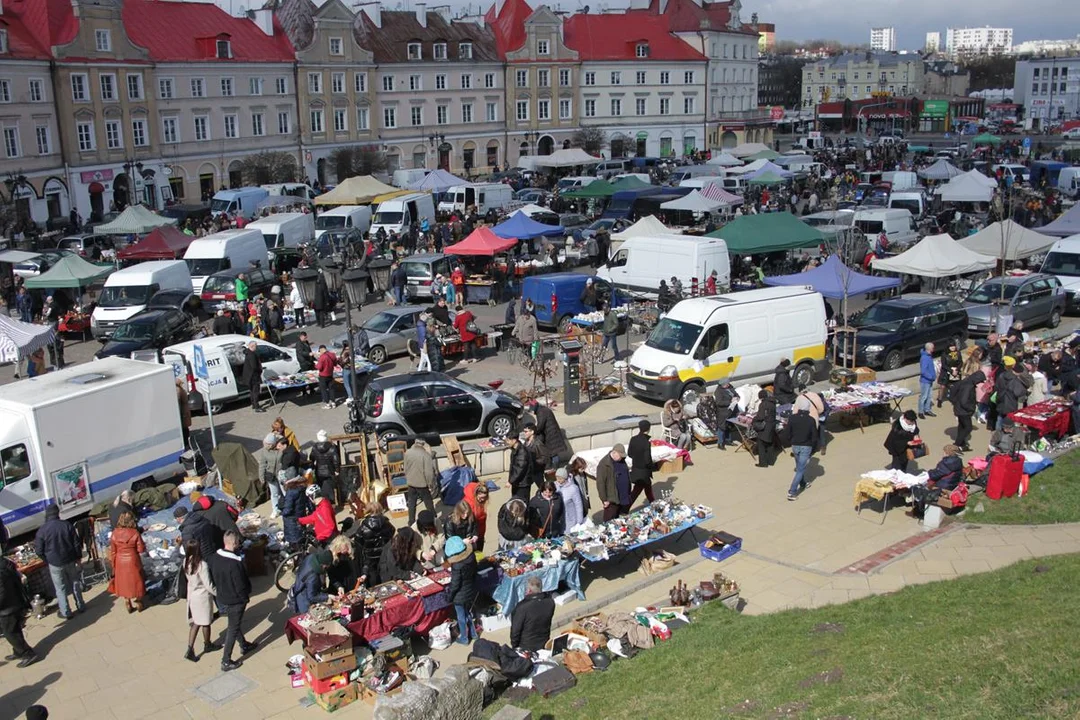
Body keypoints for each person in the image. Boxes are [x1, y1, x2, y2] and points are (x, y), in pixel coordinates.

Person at [211, 530, 256, 672]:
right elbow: (241, 584)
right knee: (233, 628)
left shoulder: (214, 558)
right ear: (235, 543)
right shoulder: (235, 563)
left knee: (233, 623)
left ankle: (244, 644)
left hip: (222, 597)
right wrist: (245, 597)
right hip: (236, 599)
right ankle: (226, 660)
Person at [34, 505, 85, 620]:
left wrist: (47, 560)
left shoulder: (42, 531)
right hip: (70, 559)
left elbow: (38, 551)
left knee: (60, 588)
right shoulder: (66, 525)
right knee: (75, 583)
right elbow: (76, 543)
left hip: (54, 563)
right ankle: (81, 605)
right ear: (58, 513)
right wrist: (78, 557)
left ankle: (66, 612)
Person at [182, 540, 219, 662]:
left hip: (192, 595)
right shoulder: (202, 565)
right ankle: (207, 644)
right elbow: (208, 584)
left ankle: (190, 648)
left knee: (196, 623)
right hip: (202, 597)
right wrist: (218, 593)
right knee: (206, 622)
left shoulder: (185, 562)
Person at [0, 550, 35, 667]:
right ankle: (18, 651)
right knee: (14, 629)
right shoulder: (5, 562)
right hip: (15, 602)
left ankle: (27, 653)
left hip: (7, 607)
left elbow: (2, 593)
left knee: (9, 632)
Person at [910, 445, 966, 519]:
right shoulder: (958, 461)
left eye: (944, 451)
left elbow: (936, 474)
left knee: (921, 489)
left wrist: (928, 473)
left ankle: (920, 511)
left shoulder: (946, 462)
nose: (943, 453)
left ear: (947, 452)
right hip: (952, 484)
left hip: (943, 485)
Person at [108, 512, 146, 613]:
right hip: (132, 559)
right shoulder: (134, 532)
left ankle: (127, 600)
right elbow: (141, 549)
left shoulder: (114, 533)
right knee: (137, 580)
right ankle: (138, 600)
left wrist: (113, 565)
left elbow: (113, 551)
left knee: (124, 581)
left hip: (120, 560)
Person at [445, 536, 478, 645]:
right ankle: (473, 634)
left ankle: (464, 638)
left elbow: (455, 584)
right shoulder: (471, 557)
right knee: (468, 612)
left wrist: (449, 596)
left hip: (459, 595)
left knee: (461, 616)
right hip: (470, 590)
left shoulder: (457, 566)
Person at [510, 575, 555, 652]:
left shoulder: (522, 607)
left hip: (526, 647)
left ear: (529, 591)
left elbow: (515, 632)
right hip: (544, 643)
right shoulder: (550, 602)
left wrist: (514, 646)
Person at [785, 408, 819, 501]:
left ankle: (803, 483)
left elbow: (787, 432)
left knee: (799, 466)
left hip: (795, 445)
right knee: (800, 469)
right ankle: (792, 492)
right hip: (806, 446)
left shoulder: (792, 418)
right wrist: (813, 446)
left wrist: (790, 441)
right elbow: (814, 435)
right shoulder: (810, 420)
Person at [526, 396, 568, 468]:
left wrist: (534, 431)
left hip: (551, 435)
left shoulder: (541, 412)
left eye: (532, 410)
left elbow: (540, 426)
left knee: (553, 453)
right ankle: (554, 468)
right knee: (553, 452)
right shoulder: (542, 409)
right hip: (552, 433)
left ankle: (555, 468)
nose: (532, 412)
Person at [404, 438, 439, 526]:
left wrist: (408, 478)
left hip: (411, 482)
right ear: (423, 445)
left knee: (411, 503)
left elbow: (405, 468)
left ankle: (411, 522)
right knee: (428, 502)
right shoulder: (426, 455)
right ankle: (434, 519)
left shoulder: (408, 452)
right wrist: (431, 484)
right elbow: (429, 473)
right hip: (422, 484)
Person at [950, 370, 984, 452]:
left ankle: (962, 444)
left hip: (959, 408)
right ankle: (957, 445)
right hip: (964, 411)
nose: (979, 383)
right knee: (968, 427)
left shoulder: (966, 381)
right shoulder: (969, 387)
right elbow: (964, 401)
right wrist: (971, 408)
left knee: (962, 426)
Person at [595, 444, 630, 520]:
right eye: (620, 455)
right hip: (612, 498)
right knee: (609, 519)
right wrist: (604, 499)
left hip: (623, 496)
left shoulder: (621, 460)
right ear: (614, 452)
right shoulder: (604, 464)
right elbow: (600, 483)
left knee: (620, 519)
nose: (622, 457)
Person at [628, 420, 657, 507]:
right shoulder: (646, 442)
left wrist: (637, 459)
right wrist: (653, 466)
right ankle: (624, 509)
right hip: (643, 471)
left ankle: (653, 503)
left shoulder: (633, 439)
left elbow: (630, 453)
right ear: (648, 429)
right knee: (636, 491)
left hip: (635, 468)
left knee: (648, 487)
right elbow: (647, 460)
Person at [308, 430, 340, 505]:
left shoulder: (314, 447)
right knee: (329, 489)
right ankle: (329, 504)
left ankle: (323, 504)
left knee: (321, 489)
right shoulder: (332, 447)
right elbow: (336, 460)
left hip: (319, 471)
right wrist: (337, 470)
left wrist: (312, 467)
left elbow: (311, 458)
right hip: (329, 471)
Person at [279, 478, 311, 549]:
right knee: (301, 534)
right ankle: (303, 549)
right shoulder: (303, 490)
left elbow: (288, 509)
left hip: (291, 519)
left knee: (293, 538)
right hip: (301, 516)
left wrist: (283, 513)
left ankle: (296, 553)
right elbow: (309, 503)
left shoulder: (290, 493)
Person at [257, 433, 283, 518]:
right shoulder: (264, 451)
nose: (266, 445)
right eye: (265, 443)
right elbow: (262, 464)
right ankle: (275, 510)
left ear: (273, 444)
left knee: (283, 492)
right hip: (271, 475)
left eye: (268, 444)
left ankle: (284, 509)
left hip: (281, 475)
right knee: (274, 494)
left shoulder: (280, 448)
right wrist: (261, 477)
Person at [753, 390, 778, 468]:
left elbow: (761, 416)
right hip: (772, 425)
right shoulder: (773, 403)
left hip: (765, 427)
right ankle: (771, 461)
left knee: (761, 445)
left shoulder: (763, 404)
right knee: (770, 443)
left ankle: (763, 463)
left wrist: (754, 419)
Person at [462, 482, 490, 552]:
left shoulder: (478, 502)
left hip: (479, 534)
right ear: (476, 494)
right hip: (472, 537)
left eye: (485, 497)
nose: (483, 500)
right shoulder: (469, 505)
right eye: (481, 498)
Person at [506, 433, 532, 501]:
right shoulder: (515, 450)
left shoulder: (522, 452)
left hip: (522, 483)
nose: (507, 442)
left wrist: (510, 481)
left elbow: (520, 469)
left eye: (508, 440)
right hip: (517, 482)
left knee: (522, 502)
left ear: (514, 440)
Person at [937, 340, 962, 409]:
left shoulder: (958, 353)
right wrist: (951, 370)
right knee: (942, 387)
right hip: (946, 372)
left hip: (955, 372)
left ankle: (955, 399)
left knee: (955, 387)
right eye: (951, 346)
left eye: (954, 346)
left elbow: (960, 363)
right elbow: (944, 365)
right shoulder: (944, 354)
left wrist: (956, 370)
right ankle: (939, 399)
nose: (953, 347)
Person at [240, 341, 264, 413]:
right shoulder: (252, 355)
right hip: (254, 376)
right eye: (255, 346)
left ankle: (253, 404)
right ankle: (257, 407)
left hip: (249, 376)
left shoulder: (247, 353)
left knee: (252, 391)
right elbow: (254, 366)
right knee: (256, 391)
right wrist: (260, 369)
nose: (256, 348)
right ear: (252, 346)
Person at [713, 381, 737, 449]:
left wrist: (737, 397)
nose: (728, 385)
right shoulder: (718, 391)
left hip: (731, 411)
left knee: (729, 426)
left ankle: (728, 440)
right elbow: (719, 402)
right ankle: (720, 443)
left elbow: (736, 394)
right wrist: (730, 402)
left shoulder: (730, 387)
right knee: (722, 427)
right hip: (722, 412)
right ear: (722, 385)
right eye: (727, 384)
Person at [919, 342, 937, 419]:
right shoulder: (925, 358)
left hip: (929, 380)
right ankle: (920, 412)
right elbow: (923, 371)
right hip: (925, 381)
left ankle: (927, 410)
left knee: (929, 396)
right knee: (924, 397)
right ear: (929, 349)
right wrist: (931, 377)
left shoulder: (929, 356)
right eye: (933, 348)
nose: (934, 349)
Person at [295, 332, 315, 396]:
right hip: (304, 363)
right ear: (301, 337)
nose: (306, 338)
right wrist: (308, 354)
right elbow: (301, 352)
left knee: (311, 376)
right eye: (305, 337)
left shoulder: (306, 342)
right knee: (305, 377)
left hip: (309, 361)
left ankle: (312, 389)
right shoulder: (298, 344)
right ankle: (304, 391)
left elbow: (309, 350)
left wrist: (313, 358)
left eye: (306, 337)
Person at [177, 379, 192, 447]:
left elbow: (180, 399)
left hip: (183, 411)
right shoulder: (180, 389)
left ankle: (186, 442)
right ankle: (187, 441)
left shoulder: (178, 390)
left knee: (184, 428)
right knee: (185, 427)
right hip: (185, 410)